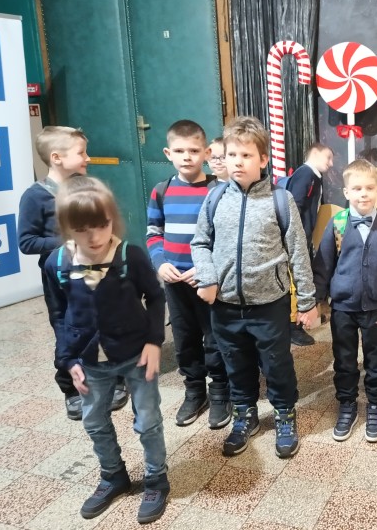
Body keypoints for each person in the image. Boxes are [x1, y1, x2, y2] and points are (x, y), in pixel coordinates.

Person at [191, 116, 318, 458]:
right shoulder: (215, 198)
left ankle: (284, 413)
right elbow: (200, 242)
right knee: (236, 363)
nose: (237, 162)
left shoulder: (280, 200)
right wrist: (208, 277)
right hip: (225, 305)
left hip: (270, 304)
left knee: (277, 364)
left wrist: (307, 301)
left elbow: (298, 251)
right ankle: (244, 414)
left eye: (246, 155)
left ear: (263, 159)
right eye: (231, 155)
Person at [45, 176, 169, 523]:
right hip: (89, 361)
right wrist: (67, 359)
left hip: (136, 355)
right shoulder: (56, 263)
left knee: (148, 421)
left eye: (102, 225)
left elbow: (155, 297)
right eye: (83, 229)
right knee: (94, 421)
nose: (95, 236)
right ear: (68, 228)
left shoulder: (130, 256)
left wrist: (154, 341)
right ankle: (113, 475)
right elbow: (58, 314)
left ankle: (156, 479)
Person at [18, 126, 128, 420]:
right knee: (68, 329)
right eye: (81, 153)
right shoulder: (35, 197)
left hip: (97, 273)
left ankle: (114, 377)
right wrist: (70, 240)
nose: (88, 158)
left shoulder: (88, 188)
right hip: (61, 280)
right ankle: (71, 389)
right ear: (56, 158)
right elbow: (27, 242)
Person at [312, 159, 377, 443]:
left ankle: (376, 404)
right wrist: (317, 301)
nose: (363, 194)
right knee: (344, 359)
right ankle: (347, 403)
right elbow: (323, 266)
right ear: (346, 192)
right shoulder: (338, 224)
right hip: (343, 308)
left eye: (369, 188)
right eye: (357, 188)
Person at [146, 120, 230, 429]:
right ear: (168, 153)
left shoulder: (219, 191)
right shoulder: (162, 191)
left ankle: (220, 392)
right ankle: (194, 391)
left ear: (206, 153)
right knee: (184, 339)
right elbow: (154, 233)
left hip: (207, 281)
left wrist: (206, 269)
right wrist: (160, 262)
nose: (187, 157)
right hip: (175, 282)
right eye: (179, 151)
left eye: (194, 151)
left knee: (215, 337)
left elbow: (225, 239)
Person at [283, 142, 334, 346]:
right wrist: (297, 236)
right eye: (328, 157)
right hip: (296, 238)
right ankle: (292, 327)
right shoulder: (306, 174)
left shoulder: (315, 177)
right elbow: (295, 205)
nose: (331, 163)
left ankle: (299, 322)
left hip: (304, 237)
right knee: (296, 280)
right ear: (315, 153)